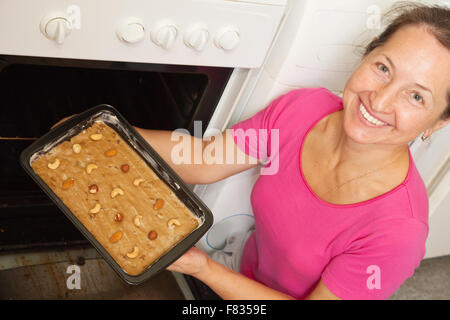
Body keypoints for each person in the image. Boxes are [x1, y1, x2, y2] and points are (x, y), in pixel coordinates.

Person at [53, 3, 450, 300]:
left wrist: (204, 270)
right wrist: (102, 133)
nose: (379, 101)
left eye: (415, 96)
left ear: (437, 122)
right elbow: (205, 162)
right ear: (367, 54)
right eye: (383, 68)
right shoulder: (304, 110)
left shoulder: (397, 233)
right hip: (238, 270)